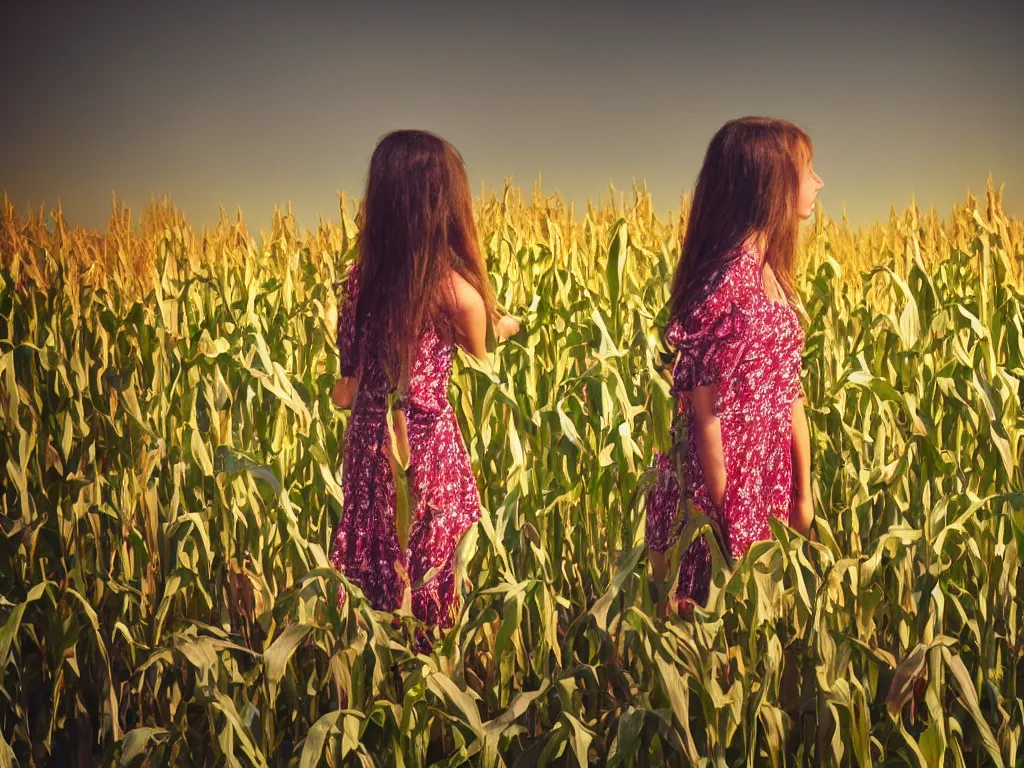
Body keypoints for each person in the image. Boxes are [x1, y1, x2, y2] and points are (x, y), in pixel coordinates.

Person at [329, 129, 519, 629]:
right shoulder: (455, 293)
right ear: (445, 206)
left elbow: (345, 389)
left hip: (371, 451)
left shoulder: (358, 284)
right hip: (426, 450)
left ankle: (375, 667)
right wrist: (509, 325)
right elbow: (485, 350)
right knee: (429, 570)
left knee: (375, 562)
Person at [645, 116, 822, 616]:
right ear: (773, 185)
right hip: (718, 498)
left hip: (767, 487)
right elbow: (706, 417)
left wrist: (802, 493)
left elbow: (791, 396)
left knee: (753, 640)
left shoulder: (773, 278)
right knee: (706, 642)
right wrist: (728, 516)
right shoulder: (728, 283)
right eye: (808, 170)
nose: (819, 182)